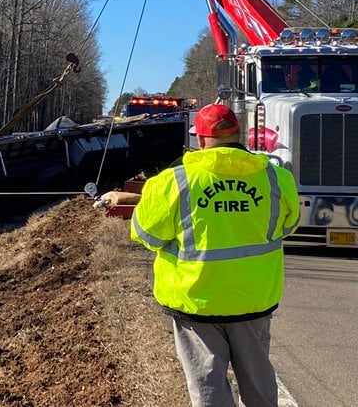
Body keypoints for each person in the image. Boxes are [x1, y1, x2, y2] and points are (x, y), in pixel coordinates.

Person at [98, 103, 300, 407]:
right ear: (237, 134)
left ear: (202, 139)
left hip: (196, 303)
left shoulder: (172, 182)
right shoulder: (275, 177)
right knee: (260, 387)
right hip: (254, 299)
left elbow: (148, 234)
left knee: (208, 388)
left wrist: (138, 203)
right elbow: (288, 224)